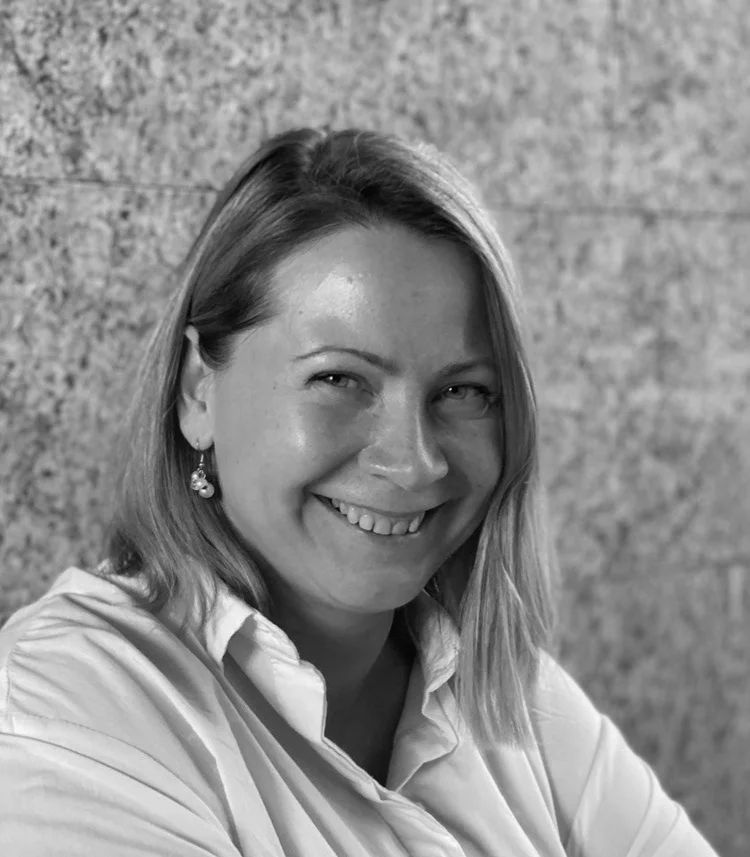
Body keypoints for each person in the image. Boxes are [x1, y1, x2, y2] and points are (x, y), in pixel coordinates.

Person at [0, 128, 717, 857]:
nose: (415, 463)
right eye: (339, 379)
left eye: (465, 391)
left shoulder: (514, 699)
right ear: (197, 390)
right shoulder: (65, 716)